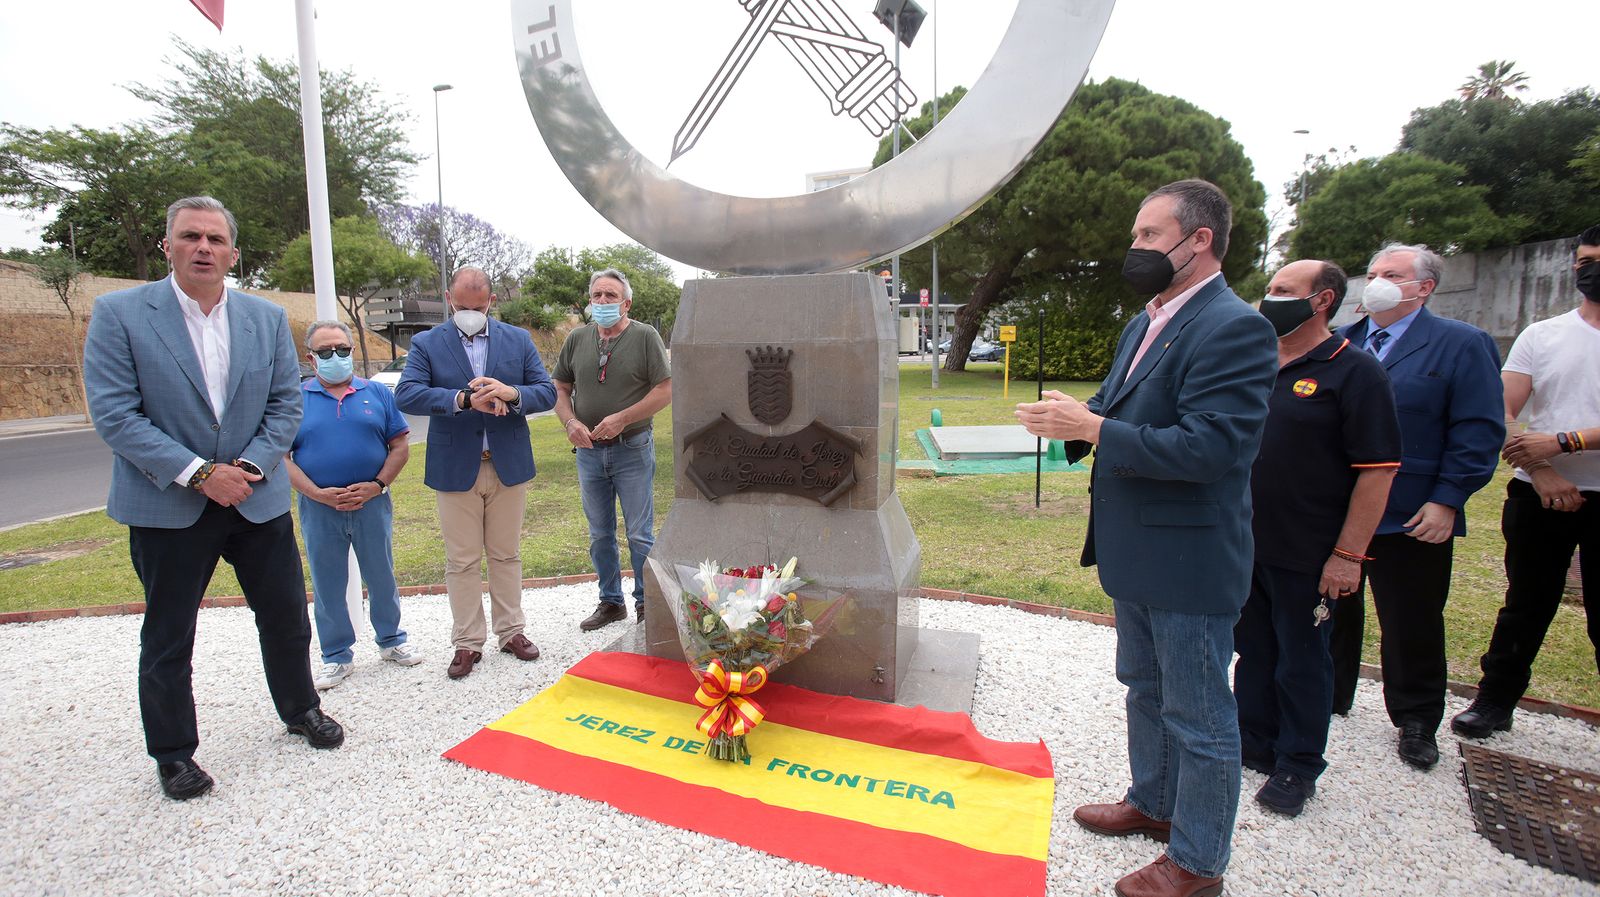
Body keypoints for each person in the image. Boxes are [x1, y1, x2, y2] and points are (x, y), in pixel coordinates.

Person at [1017, 179, 1277, 897]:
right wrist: (1068, 422)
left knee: (1199, 714)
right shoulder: (1148, 319)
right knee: (1144, 687)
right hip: (1137, 551)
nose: (1133, 249)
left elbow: (1210, 448)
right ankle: (1154, 803)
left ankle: (1198, 862)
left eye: (1147, 236)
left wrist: (1095, 428)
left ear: (1199, 241)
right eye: (1135, 235)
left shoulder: (1235, 327)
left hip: (1190, 558)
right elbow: (1112, 405)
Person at [82, 196, 343, 802]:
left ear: (233, 253)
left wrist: (247, 468)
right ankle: (173, 754)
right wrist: (201, 474)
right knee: (169, 633)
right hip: (168, 505)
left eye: (216, 239)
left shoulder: (265, 318)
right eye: (191, 236)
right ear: (167, 245)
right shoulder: (120, 313)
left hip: (256, 500)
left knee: (284, 617)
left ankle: (301, 709)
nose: (204, 247)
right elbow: (116, 415)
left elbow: (285, 404)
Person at [1328, 243, 1504, 770]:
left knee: (1411, 618)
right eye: (1373, 272)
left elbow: (1477, 430)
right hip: (1335, 506)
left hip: (1411, 511)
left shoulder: (1460, 344)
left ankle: (1416, 719)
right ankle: (1330, 697)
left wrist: (1448, 500)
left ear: (1424, 287)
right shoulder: (1340, 343)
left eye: (1392, 274)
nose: (1376, 281)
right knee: (1330, 609)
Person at [1238, 260, 1401, 817]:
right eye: (1269, 288)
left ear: (1322, 300)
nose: (1270, 298)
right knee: (1253, 650)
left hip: (1309, 551)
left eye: (1283, 291)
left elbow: (1377, 471)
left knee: (1303, 660)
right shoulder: (1256, 364)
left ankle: (1298, 765)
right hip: (1245, 543)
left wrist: (1348, 555)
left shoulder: (1354, 372)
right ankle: (1252, 741)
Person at [1453, 224, 1600, 738]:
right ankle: (1494, 702)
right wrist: (1541, 470)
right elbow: (1504, 409)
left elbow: (1546, 433)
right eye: (1584, 260)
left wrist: (1563, 443)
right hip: (1538, 492)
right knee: (1526, 603)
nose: (1589, 270)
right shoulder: (1543, 334)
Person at [394, 267, 557, 679]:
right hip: (455, 467)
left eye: (478, 306)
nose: (470, 312)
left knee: (506, 554)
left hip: (508, 464)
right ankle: (467, 642)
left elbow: (547, 391)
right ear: (450, 300)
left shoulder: (517, 340)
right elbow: (407, 393)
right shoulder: (427, 343)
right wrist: (463, 399)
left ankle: (511, 631)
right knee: (461, 560)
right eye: (462, 306)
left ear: (491, 302)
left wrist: (512, 393)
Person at [285, 320, 419, 690]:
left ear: (352, 351)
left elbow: (399, 446)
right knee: (328, 582)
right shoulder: (295, 399)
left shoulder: (376, 393)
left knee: (381, 573)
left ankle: (392, 641)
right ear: (312, 359)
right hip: (320, 507)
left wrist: (377, 485)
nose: (336, 357)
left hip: (371, 504)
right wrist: (316, 493)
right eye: (326, 352)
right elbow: (281, 456)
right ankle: (336, 655)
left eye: (342, 350)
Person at [552, 268, 672, 631]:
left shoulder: (645, 337)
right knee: (599, 533)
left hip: (632, 448)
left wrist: (623, 418)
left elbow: (665, 390)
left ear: (626, 302)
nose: (602, 302)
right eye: (597, 296)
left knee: (639, 533)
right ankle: (611, 602)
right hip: (588, 452)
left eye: (610, 296)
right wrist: (570, 422)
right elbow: (558, 388)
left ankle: (646, 603)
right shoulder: (577, 339)